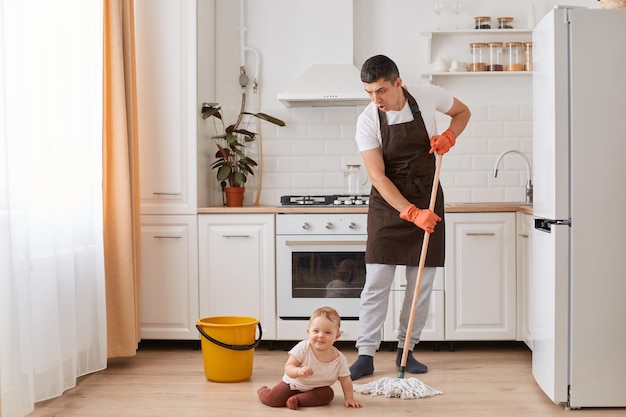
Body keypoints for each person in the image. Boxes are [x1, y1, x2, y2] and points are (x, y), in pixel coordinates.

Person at [349, 55, 471, 381]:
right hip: (389, 206)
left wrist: (450, 135)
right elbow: (378, 177)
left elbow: (462, 112)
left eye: (381, 91)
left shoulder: (427, 95)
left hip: (427, 196)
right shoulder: (368, 120)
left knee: (421, 285)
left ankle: (406, 349)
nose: (376, 99)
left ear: (398, 82)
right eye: (369, 92)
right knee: (377, 282)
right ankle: (365, 354)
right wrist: (411, 213)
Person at [257, 306, 363, 409]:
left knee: (328, 394)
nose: (321, 335)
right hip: (293, 384)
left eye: (327, 332)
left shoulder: (339, 359)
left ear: (337, 336)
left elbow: (345, 380)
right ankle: (263, 391)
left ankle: (297, 400)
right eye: (316, 331)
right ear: (308, 332)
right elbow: (289, 367)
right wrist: (298, 371)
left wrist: (349, 398)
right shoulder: (303, 347)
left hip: (317, 389)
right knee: (272, 400)